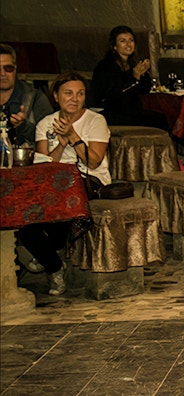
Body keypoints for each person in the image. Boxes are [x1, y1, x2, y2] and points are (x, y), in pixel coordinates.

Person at [28, 71, 111, 295]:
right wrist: (61, 144)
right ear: (56, 96)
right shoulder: (46, 123)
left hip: (89, 181)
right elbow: (44, 165)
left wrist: (73, 136)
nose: (74, 98)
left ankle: (49, 255)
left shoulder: (96, 121)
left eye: (80, 93)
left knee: (65, 198)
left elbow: (93, 163)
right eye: (68, 93)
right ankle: (54, 266)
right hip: (53, 182)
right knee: (27, 222)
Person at [89, 26, 169, 131]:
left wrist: (143, 74)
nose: (128, 44)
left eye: (131, 40)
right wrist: (135, 78)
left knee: (161, 116)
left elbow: (144, 90)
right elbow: (115, 95)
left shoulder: (131, 64)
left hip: (130, 111)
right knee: (158, 120)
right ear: (114, 46)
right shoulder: (106, 66)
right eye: (123, 41)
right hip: (112, 112)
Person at [0, 44, 54, 145]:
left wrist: (23, 126)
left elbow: (51, 137)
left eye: (8, 68)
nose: (3, 73)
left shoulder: (35, 98)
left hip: (25, 158)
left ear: (15, 68)